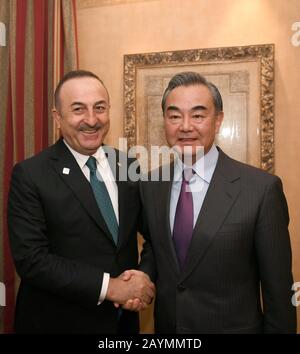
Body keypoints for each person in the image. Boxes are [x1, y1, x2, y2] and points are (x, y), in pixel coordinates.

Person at [138, 71, 297, 333]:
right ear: (164, 121)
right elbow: (157, 248)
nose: (185, 126)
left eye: (198, 115)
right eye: (174, 115)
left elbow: (279, 295)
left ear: (218, 120)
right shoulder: (151, 185)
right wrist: (143, 275)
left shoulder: (260, 190)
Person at [7, 70, 155, 334]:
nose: (91, 120)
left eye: (99, 108)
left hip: (122, 325)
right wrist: (110, 287)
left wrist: (144, 276)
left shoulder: (127, 165)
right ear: (57, 118)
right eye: (78, 109)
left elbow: (154, 234)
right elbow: (31, 260)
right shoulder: (30, 175)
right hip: (57, 322)